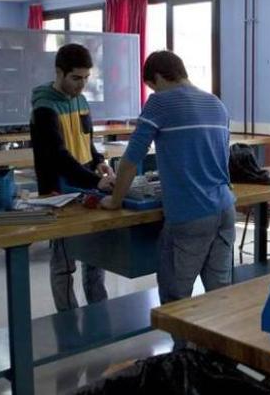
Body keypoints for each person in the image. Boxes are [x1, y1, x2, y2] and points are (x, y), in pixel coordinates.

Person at [100, 51, 235, 348]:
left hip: (190, 213)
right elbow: (215, 159)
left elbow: (131, 160)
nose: (153, 91)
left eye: (152, 86)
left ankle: (182, 361)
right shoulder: (216, 104)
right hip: (225, 208)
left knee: (176, 298)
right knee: (220, 293)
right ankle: (220, 363)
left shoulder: (160, 102)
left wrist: (114, 200)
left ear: (158, 78)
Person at [30, 43, 114, 312]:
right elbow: (57, 156)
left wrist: (99, 162)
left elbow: (86, 141)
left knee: (95, 257)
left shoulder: (81, 100)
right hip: (60, 192)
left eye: (86, 78)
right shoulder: (44, 107)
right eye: (76, 78)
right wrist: (94, 181)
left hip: (87, 185)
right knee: (64, 263)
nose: (82, 85)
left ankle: (98, 313)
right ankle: (68, 319)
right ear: (59, 72)